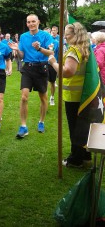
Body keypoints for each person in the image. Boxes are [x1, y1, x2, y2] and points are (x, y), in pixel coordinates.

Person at [48, 22, 91, 168]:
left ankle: (75, 159)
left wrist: (53, 62)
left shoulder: (74, 50)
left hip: (73, 96)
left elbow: (67, 71)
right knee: (83, 127)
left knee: (75, 128)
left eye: (67, 34)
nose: (65, 37)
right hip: (84, 95)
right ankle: (85, 155)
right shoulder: (86, 49)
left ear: (75, 35)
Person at [9, 14, 54, 137]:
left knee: (43, 97)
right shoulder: (23, 37)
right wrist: (17, 49)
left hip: (41, 68)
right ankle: (23, 127)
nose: (31, 24)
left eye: (33, 21)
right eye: (29, 22)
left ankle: (41, 122)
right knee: (24, 97)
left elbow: (51, 52)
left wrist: (39, 48)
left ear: (38, 22)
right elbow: (22, 56)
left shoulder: (46, 36)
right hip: (28, 68)